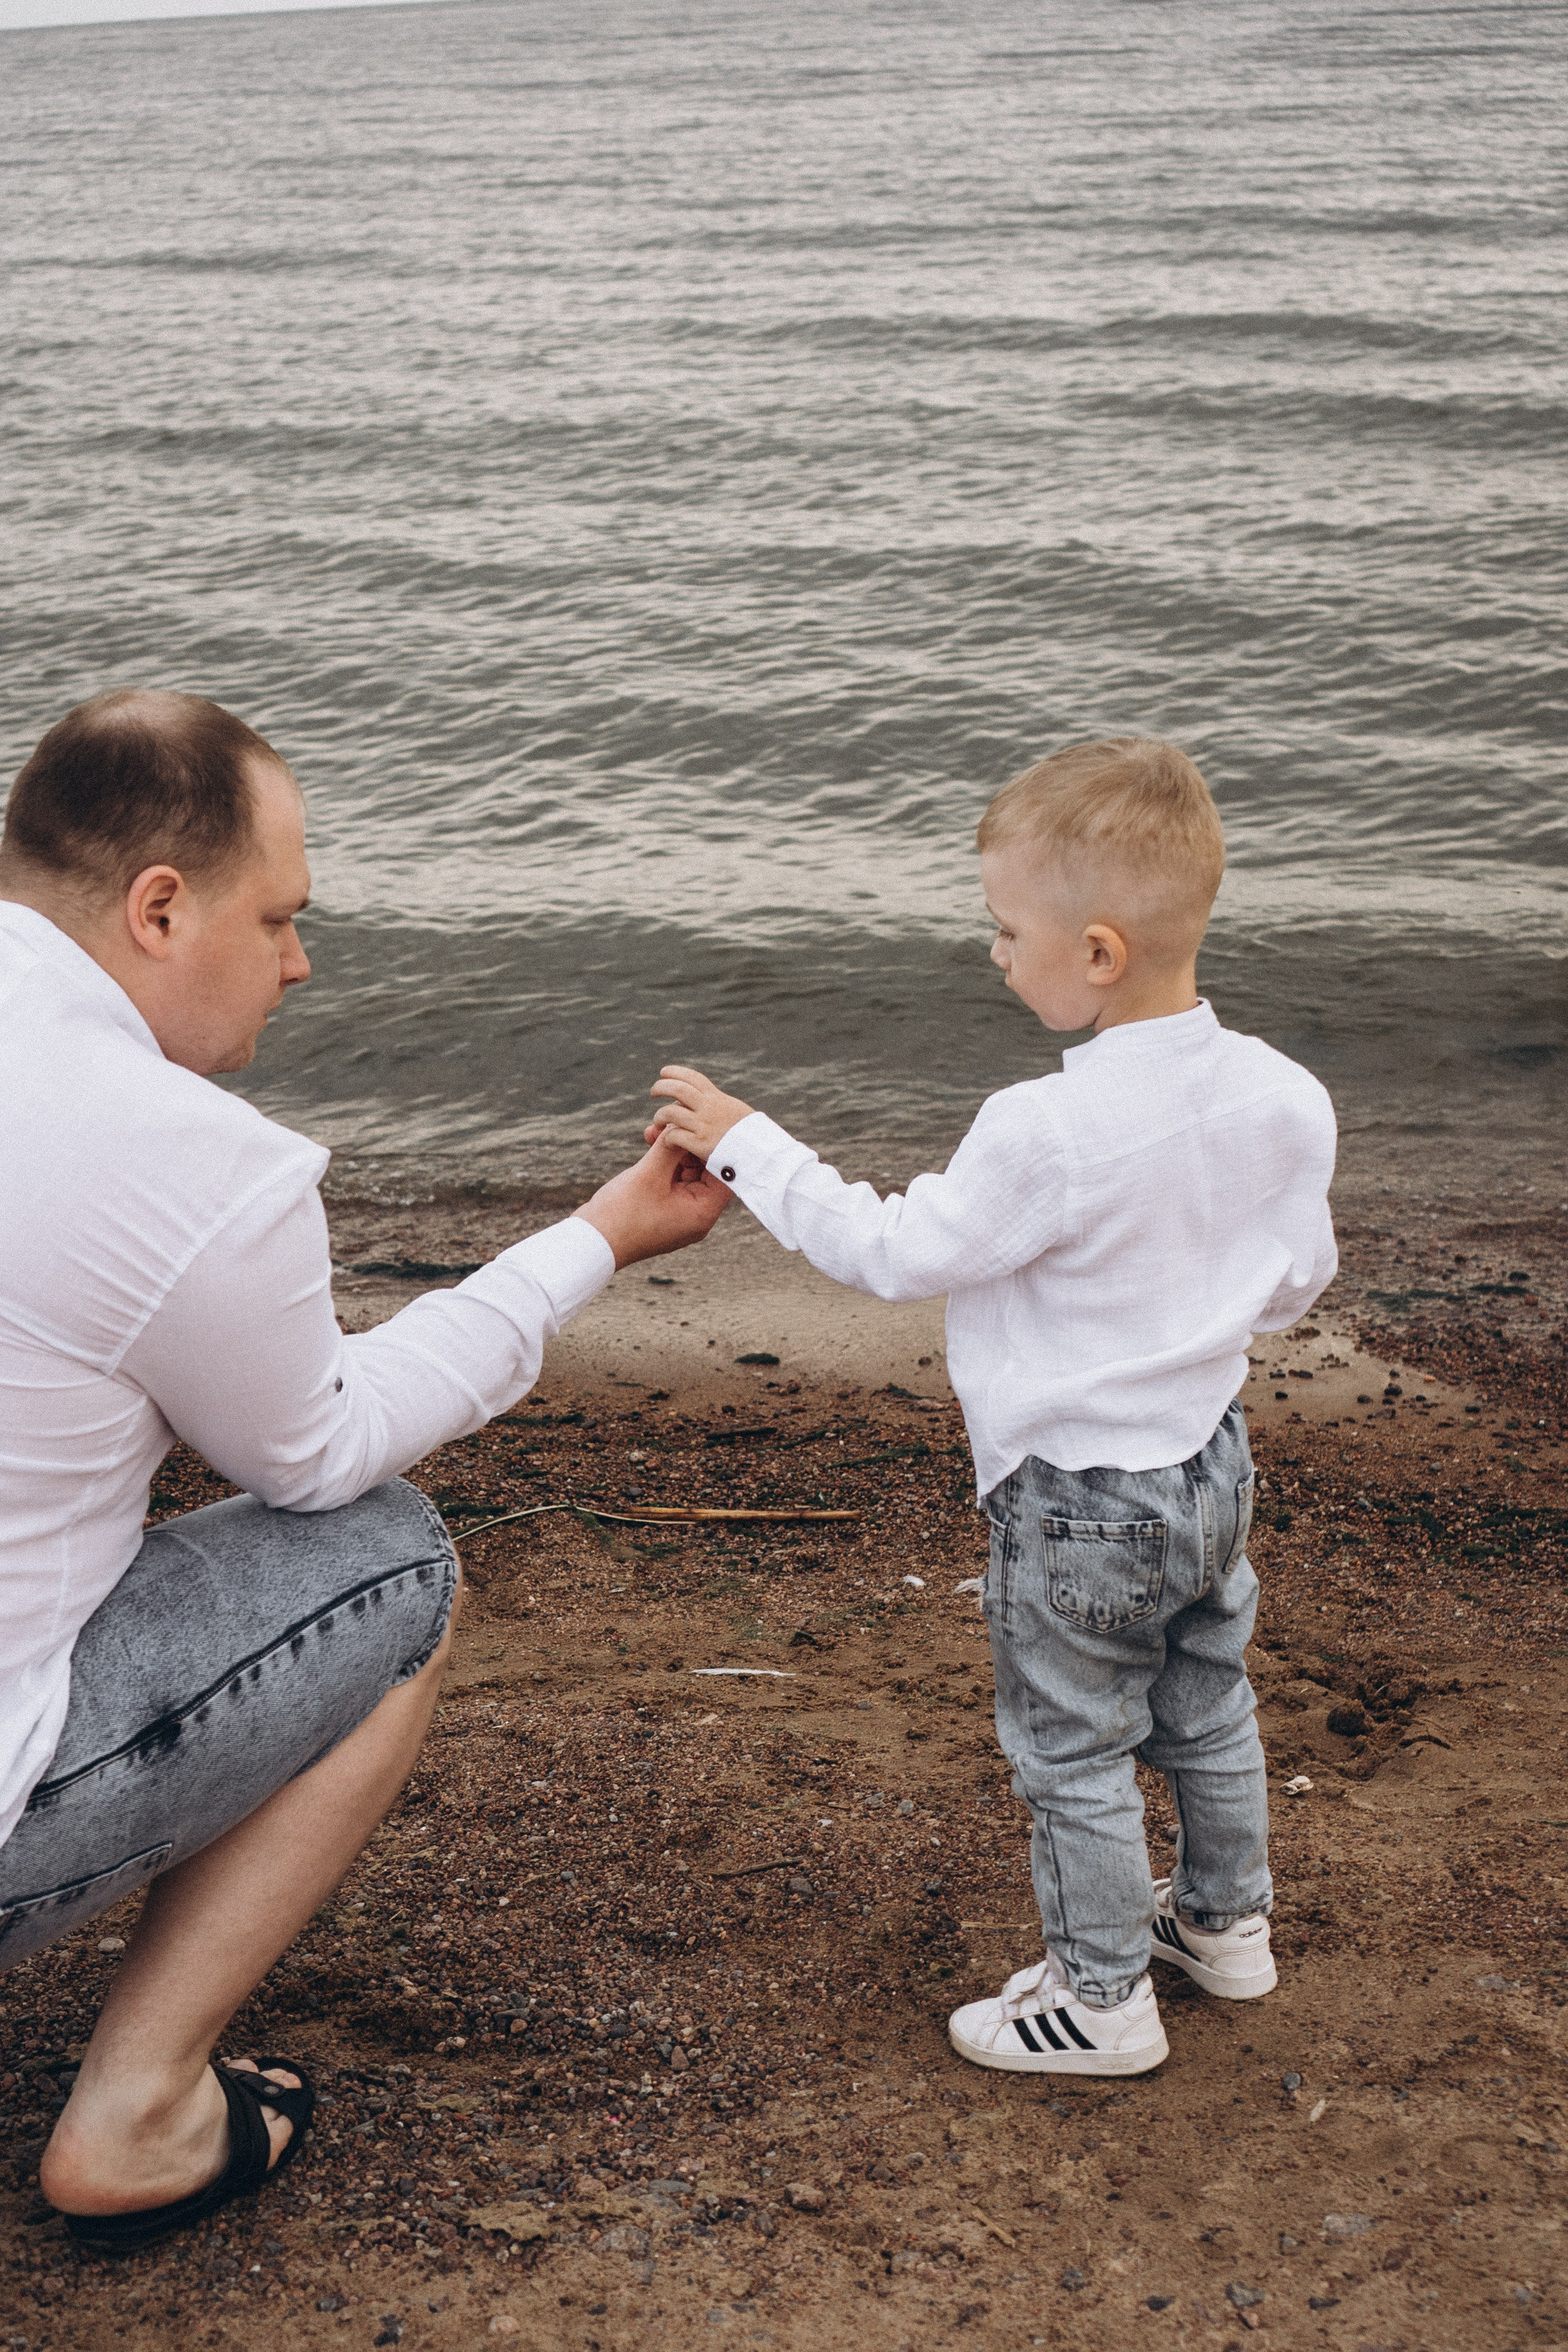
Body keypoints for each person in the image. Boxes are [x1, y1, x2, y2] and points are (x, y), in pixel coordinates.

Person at [0, 688, 731, 2249]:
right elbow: (315, 1450)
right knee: (386, 1564)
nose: (300, 960)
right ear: (158, 907)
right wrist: (592, 1240)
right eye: (279, 919)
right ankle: (136, 2113)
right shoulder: (183, 1156)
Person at [649, 737, 1337, 2078]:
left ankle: (1097, 2001)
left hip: (1079, 1495)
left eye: (1001, 930)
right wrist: (1179, 1322)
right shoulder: (1283, 1094)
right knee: (1204, 1700)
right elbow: (1293, 1283)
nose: (992, 953)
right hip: (1210, 1465)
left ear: (1094, 952)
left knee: (1072, 1748)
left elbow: (896, 1253)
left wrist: (746, 1141)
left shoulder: (1045, 1129)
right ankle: (1224, 1929)